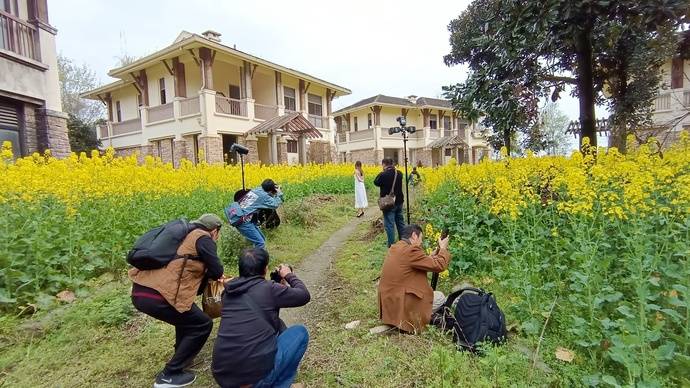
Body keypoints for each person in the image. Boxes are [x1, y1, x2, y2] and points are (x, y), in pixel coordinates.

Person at [129, 214, 226, 388]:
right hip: (160, 295)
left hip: (141, 290)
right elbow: (217, 269)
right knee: (202, 324)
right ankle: (169, 374)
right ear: (215, 230)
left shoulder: (182, 236)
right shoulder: (203, 238)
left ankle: (182, 356)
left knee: (186, 319)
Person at [212, 248, 311, 388]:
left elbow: (260, 302)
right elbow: (304, 295)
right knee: (300, 333)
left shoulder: (228, 292)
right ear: (265, 269)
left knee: (278, 326)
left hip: (223, 376)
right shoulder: (269, 289)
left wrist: (277, 283)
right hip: (252, 380)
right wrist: (289, 275)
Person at [378, 224, 451, 333]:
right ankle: (417, 319)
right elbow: (440, 266)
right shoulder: (411, 250)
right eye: (421, 238)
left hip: (390, 304)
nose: (421, 243)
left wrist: (429, 257)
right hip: (401, 304)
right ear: (414, 236)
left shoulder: (396, 247)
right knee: (440, 297)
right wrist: (443, 249)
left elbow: (410, 265)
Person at [225, 179, 284, 249]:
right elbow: (275, 204)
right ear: (270, 189)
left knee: (262, 239)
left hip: (242, 217)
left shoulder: (257, 189)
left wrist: (273, 189)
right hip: (243, 221)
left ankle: (254, 255)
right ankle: (257, 259)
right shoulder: (264, 196)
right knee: (260, 243)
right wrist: (279, 193)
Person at [374, 158, 405, 247]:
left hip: (389, 204)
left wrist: (381, 172)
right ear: (393, 164)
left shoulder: (383, 175)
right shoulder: (399, 173)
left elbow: (376, 182)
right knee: (400, 223)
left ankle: (392, 246)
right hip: (399, 202)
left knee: (390, 225)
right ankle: (403, 244)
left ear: (384, 164)